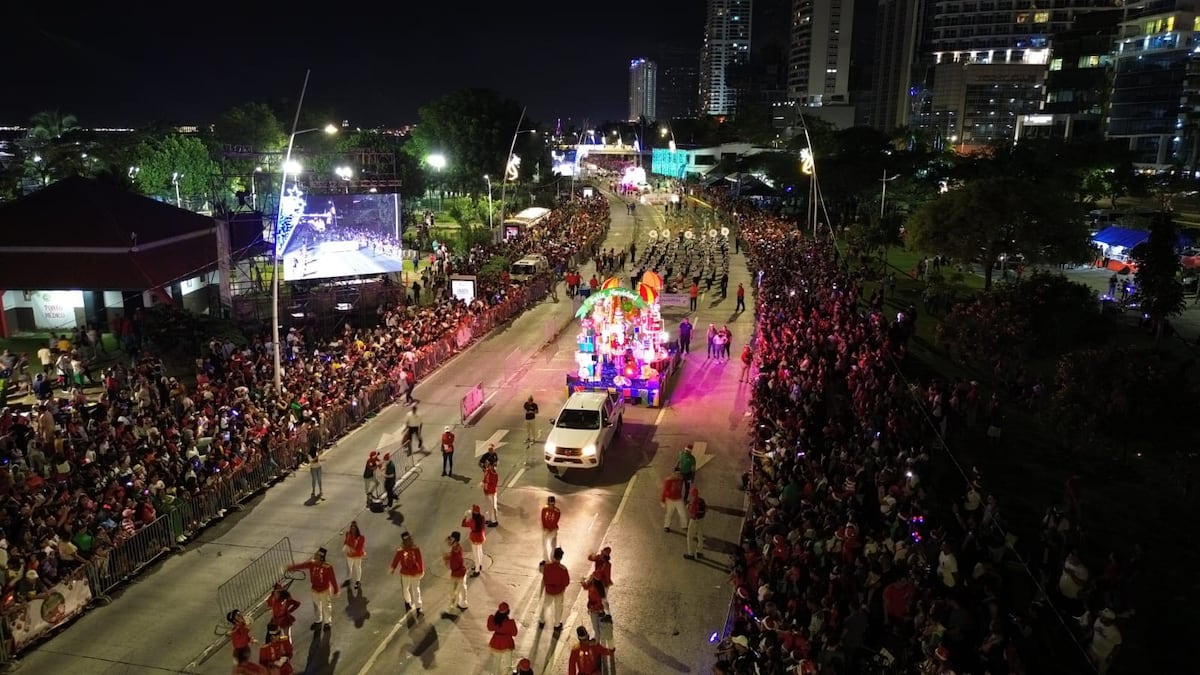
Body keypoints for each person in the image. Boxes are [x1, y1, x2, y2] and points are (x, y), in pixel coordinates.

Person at [285, 547, 339, 631]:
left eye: (317, 555)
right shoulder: (312, 564)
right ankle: (318, 620)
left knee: (326, 606)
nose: (315, 556)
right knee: (316, 606)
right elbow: (302, 565)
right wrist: (291, 568)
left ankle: (327, 622)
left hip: (324, 590)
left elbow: (333, 579)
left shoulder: (328, 567)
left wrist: (336, 589)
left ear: (321, 557)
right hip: (314, 589)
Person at [388, 531, 424, 614]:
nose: (408, 541)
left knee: (416, 590)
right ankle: (407, 602)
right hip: (405, 573)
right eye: (406, 540)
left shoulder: (416, 549)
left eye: (409, 539)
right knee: (405, 589)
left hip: (415, 572)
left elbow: (420, 560)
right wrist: (393, 568)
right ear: (404, 541)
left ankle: (419, 607)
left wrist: (421, 570)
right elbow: (396, 560)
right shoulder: (401, 551)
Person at [538, 547, 570, 631]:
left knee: (546, 605)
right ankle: (556, 624)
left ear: (553, 556)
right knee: (558, 608)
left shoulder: (547, 566)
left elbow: (544, 577)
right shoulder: (563, 569)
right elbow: (566, 582)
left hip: (549, 590)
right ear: (561, 557)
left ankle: (542, 621)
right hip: (559, 592)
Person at [488, 602, 519, 675]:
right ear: (508, 612)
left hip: (496, 642)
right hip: (507, 643)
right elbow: (514, 633)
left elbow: (490, 628)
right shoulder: (510, 623)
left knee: (496, 662)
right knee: (507, 663)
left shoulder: (493, 619)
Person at [587, 547, 614, 621]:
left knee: (603, 599)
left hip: (604, 583)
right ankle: (603, 612)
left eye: (602, 554)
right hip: (599, 582)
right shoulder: (600, 558)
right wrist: (592, 555)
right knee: (601, 598)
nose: (601, 554)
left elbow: (600, 574)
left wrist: (593, 575)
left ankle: (607, 615)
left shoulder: (606, 564)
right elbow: (590, 558)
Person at [444, 531, 469, 611]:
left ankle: (461, 603)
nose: (450, 540)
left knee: (457, 589)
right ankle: (461, 602)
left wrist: (449, 558)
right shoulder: (456, 548)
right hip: (458, 572)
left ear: (455, 540)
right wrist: (448, 557)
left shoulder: (457, 549)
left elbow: (456, 557)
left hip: (458, 573)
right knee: (460, 588)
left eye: (452, 539)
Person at [462, 505, 487, 576]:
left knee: (476, 554)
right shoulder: (482, 517)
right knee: (480, 550)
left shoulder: (472, 521)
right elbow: (483, 527)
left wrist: (465, 515)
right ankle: (480, 565)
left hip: (474, 537)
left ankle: (477, 570)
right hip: (481, 536)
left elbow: (463, 524)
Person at [581, 575, 608, 641]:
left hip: (596, 611)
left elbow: (598, 602)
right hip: (597, 610)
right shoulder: (595, 584)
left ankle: (597, 643)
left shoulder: (595, 589)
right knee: (597, 628)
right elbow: (586, 586)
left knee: (596, 628)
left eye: (591, 577)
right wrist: (583, 582)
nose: (589, 578)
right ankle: (597, 639)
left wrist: (591, 608)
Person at [684, 485, 706, 560]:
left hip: (694, 520)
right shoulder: (702, 500)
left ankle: (691, 554)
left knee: (689, 536)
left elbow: (692, 511)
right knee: (700, 535)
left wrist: (688, 507)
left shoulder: (693, 501)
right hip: (701, 520)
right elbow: (705, 510)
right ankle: (699, 552)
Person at [342, 521, 366, 590]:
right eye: (351, 527)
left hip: (357, 555)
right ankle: (349, 579)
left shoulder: (361, 537)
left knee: (357, 567)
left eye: (354, 527)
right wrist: (345, 548)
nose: (352, 529)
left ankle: (358, 581)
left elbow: (360, 547)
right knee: (349, 567)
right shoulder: (347, 534)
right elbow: (345, 542)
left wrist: (353, 551)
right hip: (349, 555)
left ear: (356, 528)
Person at [540, 495, 561, 565]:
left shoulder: (557, 511)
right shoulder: (544, 509)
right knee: (544, 544)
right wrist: (545, 527)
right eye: (550, 502)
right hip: (546, 529)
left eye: (552, 502)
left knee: (553, 545)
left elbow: (556, 520)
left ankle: (552, 558)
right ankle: (546, 559)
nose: (551, 504)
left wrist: (551, 528)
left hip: (553, 529)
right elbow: (543, 518)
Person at [481, 461, 500, 526]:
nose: (486, 465)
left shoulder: (494, 473)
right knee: (488, 506)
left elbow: (493, 483)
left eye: (488, 464)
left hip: (491, 491)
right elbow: (485, 479)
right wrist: (483, 483)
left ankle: (494, 521)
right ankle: (489, 518)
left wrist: (486, 484)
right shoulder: (487, 471)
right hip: (486, 491)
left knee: (492, 506)